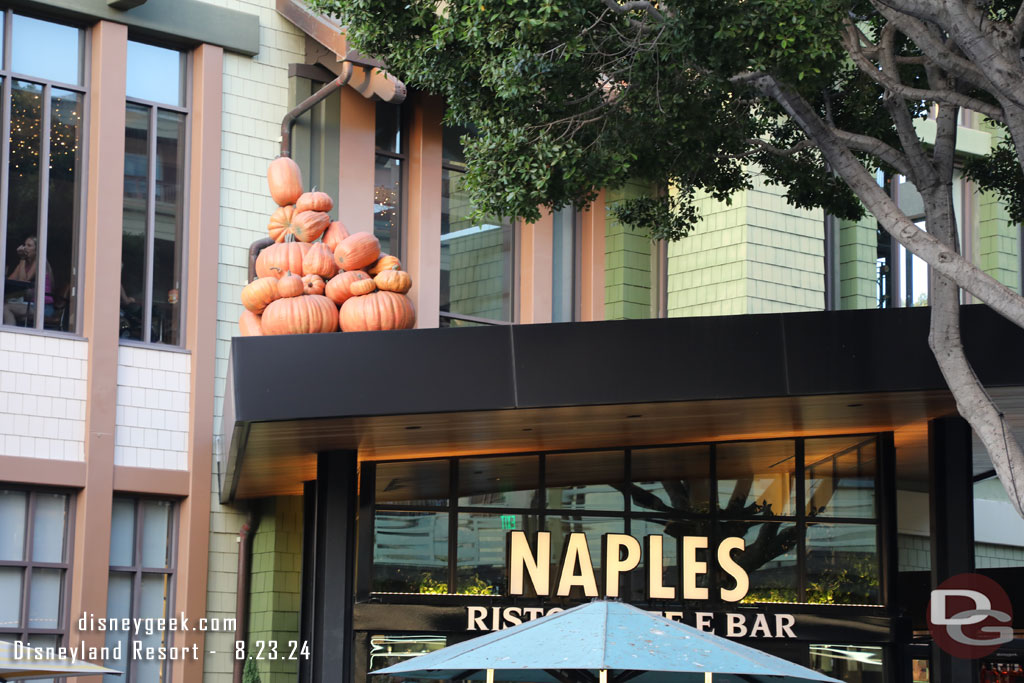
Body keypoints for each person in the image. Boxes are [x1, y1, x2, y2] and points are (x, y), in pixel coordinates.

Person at [4, 236, 53, 325]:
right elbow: (10, 281)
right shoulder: (24, 264)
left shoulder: (40, 262)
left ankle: (9, 335)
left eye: (29, 245)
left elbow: (24, 282)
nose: (25, 248)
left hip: (43, 307)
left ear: (36, 250)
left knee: (5, 308)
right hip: (30, 304)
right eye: (25, 245)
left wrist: (22, 258)